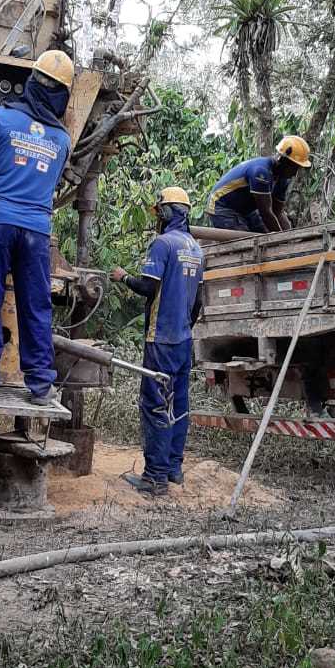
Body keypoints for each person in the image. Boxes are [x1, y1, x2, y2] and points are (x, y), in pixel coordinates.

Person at [0, 49, 73, 404]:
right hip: (37, 230)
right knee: (36, 306)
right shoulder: (62, 139)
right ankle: (40, 384)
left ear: (30, 82)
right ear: (62, 96)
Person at [110, 186, 203, 496]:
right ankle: (173, 468)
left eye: (158, 212)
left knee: (155, 405)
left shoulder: (163, 244)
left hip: (161, 339)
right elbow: (198, 302)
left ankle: (154, 478)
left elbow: (148, 287)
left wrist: (122, 277)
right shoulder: (195, 248)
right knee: (178, 404)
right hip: (184, 340)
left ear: (165, 212)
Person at [207, 136, 311, 233]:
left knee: (264, 233)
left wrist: (290, 235)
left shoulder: (283, 180)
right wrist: (282, 238)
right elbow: (266, 212)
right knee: (246, 242)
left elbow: (277, 212)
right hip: (221, 206)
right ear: (283, 160)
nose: (295, 173)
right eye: (294, 167)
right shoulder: (261, 172)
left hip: (245, 210)